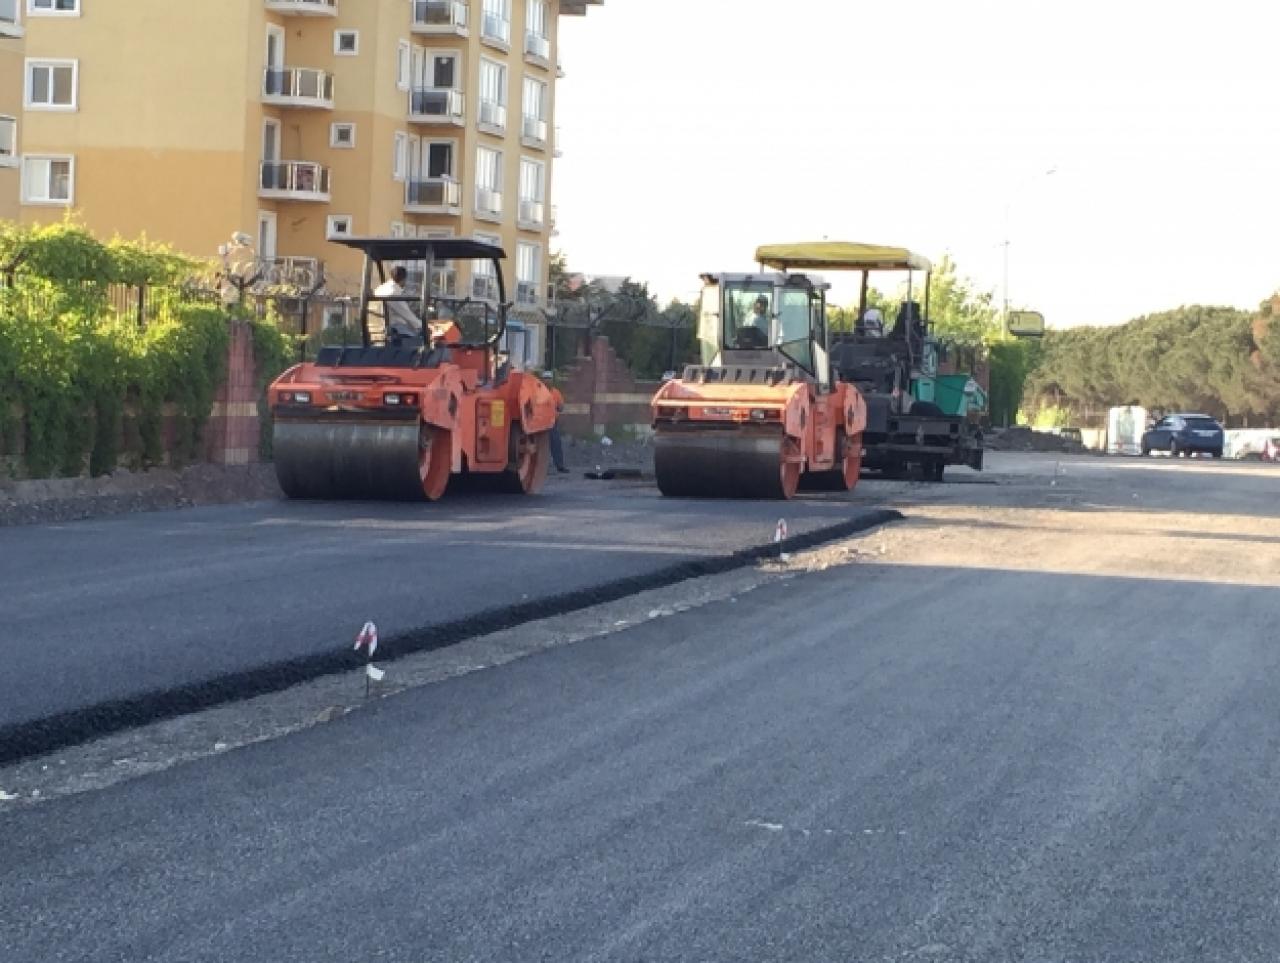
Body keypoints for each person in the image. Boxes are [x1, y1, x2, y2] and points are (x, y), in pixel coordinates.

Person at [372, 266, 422, 340]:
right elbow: (407, 314)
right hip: (395, 329)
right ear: (404, 279)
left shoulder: (381, 288)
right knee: (420, 338)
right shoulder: (393, 293)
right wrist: (422, 326)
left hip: (380, 325)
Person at [549, 386, 569, 473]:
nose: (547, 381)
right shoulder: (538, 391)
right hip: (540, 423)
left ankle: (560, 465)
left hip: (552, 422)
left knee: (556, 444)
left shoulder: (555, 392)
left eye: (548, 379)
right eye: (546, 379)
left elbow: (561, 407)